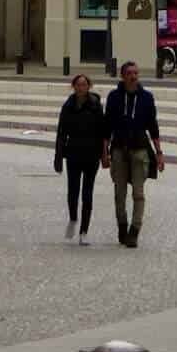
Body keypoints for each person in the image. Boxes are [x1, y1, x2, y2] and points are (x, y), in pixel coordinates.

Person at [101, 59, 165, 246]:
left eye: (136, 73)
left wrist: (159, 152)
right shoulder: (114, 97)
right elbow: (107, 127)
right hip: (119, 149)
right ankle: (122, 226)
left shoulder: (146, 97)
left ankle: (134, 230)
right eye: (129, 73)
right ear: (123, 76)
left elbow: (153, 127)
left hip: (140, 149)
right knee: (119, 193)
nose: (133, 76)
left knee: (138, 193)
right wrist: (104, 152)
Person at [54, 72, 107, 243]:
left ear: (89, 86)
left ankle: (84, 231)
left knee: (87, 193)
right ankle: (73, 218)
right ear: (74, 87)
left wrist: (104, 153)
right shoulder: (68, 106)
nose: (81, 87)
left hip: (92, 154)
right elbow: (61, 132)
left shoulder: (96, 105)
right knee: (73, 191)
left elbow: (103, 131)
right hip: (74, 153)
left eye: (84, 84)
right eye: (78, 84)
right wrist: (58, 156)